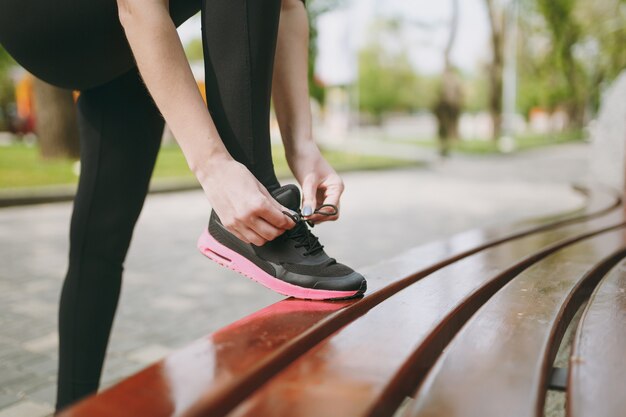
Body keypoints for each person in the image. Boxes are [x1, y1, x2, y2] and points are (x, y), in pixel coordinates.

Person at [0, 0, 366, 412]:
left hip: (116, 50)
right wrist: (215, 168)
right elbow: (138, 8)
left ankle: (71, 408)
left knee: (99, 243)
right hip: (41, 20)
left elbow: (286, 8)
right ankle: (254, 197)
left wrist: (302, 147)